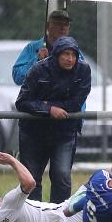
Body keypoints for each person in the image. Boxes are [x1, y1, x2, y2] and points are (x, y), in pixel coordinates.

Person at [15, 36, 91, 203]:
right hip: (33, 133)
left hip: (65, 132)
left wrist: (46, 105)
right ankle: (32, 220)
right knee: (32, 179)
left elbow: (76, 102)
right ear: (56, 54)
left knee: (62, 176)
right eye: (65, 54)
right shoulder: (38, 69)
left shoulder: (84, 70)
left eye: (73, 54)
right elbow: (22, 102)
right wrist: (49, 109)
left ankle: (58, 218)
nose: (70, 58)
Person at [0, 151, 85, 222]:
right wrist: (12, 161)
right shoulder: (8, 202)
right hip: (68, 214)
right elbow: (30, 183)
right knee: (100, 176)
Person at [12, 9, 83, 85]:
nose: (63, 27)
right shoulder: (33, 47)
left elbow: (82, 76)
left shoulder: (73, 50)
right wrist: (36, 61)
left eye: (66, 24)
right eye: (58, 23)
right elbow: (17, 77)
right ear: (47, 26)